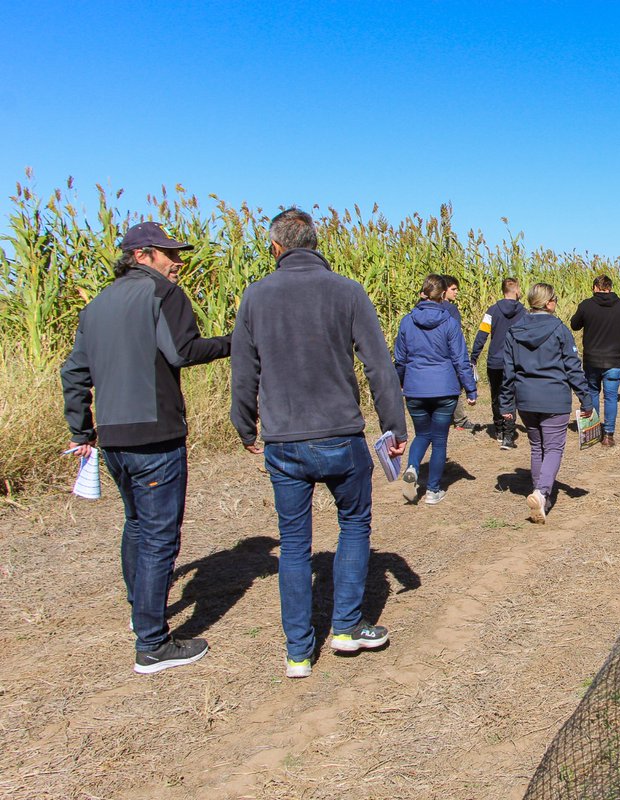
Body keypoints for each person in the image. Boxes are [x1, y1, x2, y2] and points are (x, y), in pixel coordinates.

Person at [230, 208, 407, 679]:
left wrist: (245, 424)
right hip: (339, 436)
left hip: (284, 440)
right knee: (353, 524)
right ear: (314, 242)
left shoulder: (255, 297)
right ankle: (347, 627)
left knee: (293, 544)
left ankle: (298, 653)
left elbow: (244, 370)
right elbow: (378, 366)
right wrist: (396, 427)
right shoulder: (346, 291)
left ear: (276, 248)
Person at [62, 221, 231, 674]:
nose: (177, 262)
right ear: (141, 256)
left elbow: (73, 373)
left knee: (136, 526)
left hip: (113, 436)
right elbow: (183, 351)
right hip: (155, 434)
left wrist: (82, 432)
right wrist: (236, 343)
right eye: (168, 253)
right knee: (160, 537)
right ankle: (153, 643)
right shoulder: (163, 295)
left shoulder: (95, 306)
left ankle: (143, 610)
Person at [498, 283, 593, 523]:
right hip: (554, 398)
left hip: (526, 399)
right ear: (549, 303)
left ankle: (541, 495)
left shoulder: (514, 330)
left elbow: (507, 371)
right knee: (553, 448)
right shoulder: (560, 329)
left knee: (537, 446)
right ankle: (541, 493)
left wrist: (506, 405)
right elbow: (572, 367)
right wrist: (585, 397)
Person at [394, 274, 478, 505]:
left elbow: (400, 359)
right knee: (439, 440)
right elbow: (460, 359)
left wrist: (399, 381)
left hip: (415, 388)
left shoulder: (407, 321)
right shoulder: (449, 322)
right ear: (442, 295)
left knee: (422, 434)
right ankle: (433, 491)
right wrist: (470, 389)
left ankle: (412, 467)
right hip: (444, 388)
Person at [569, 275, 620, 447]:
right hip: (614, 359)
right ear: (610, 287)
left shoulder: (586, 305)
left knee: (592, 393)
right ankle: (608, 435)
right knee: (611, 397)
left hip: (592, 359)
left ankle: (593, 432)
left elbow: (574, 325)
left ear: (595, 288)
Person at [470, 277, 526, 449]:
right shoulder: (524, 312)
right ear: (516, 290)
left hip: (495, 361)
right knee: (511, 396)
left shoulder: (492, 311)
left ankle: (499, 429)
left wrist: (474, 357)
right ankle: (509, 435)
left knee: (496, 395)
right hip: (515, 361)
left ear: (503, 291)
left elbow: (482, 335)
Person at [441, 274, 483, 433]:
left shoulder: (422, 307)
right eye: (453, 289)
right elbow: (455, 334)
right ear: (443, 291)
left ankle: (450, 418)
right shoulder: (451, 309)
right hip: (450, 354)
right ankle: (460, 420)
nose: (456, 292)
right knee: (455, 387)